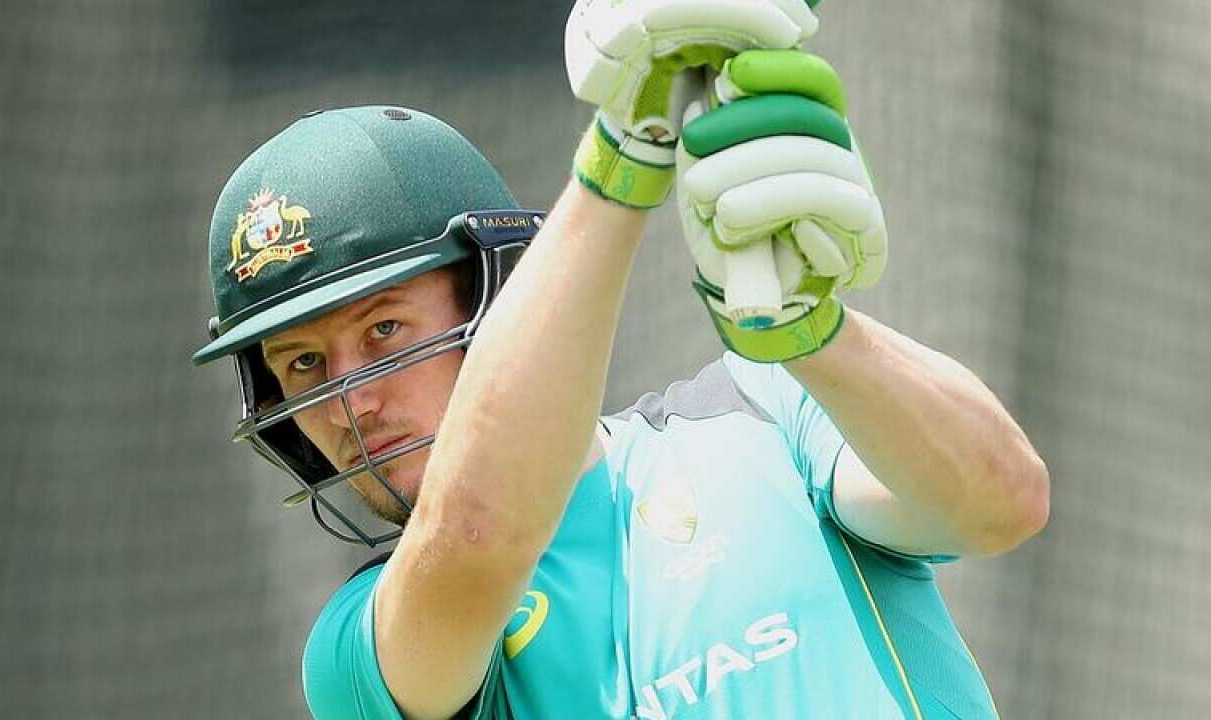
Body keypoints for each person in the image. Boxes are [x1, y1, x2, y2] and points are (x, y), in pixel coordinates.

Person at [193, 5, 1048, 719]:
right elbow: (480, 534)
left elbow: (1001, 503)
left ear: (499, 295)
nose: (347, 402)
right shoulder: (359, 646)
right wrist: (628, 148)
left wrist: (814, 335)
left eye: (383, 331)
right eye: (303, 364)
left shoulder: (759, 413)